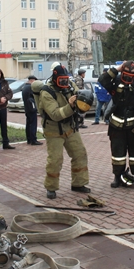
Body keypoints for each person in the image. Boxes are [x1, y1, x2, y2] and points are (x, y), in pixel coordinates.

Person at [99, 60, 134, 188]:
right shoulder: (115, 84)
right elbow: (103, 79)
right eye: (126, 75)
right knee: (118, 153)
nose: (128, 78)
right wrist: (117, 69)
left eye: (131, 75)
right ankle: (117, 176)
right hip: (117, 126)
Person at [38, 65, 90, 199]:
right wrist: (71, 105)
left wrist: (82, 100)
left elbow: (79, 95)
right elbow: (55, 114)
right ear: (55, 79)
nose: (64, 83)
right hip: (53, 130)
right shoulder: (46, 92)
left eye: (66, 80)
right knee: (55, 160)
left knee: (80, 154)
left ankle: (79, 183)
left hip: (70, 127)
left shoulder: (70, 85)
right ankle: (51, 187)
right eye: (61, 80)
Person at [22, 75, 42, 145]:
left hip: (27, 108)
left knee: (28, 124)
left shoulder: (25, 87)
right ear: (32, 80)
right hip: (32, 108)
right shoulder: (31, 88)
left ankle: (29, 139)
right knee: (33, 124)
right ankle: (33, 140)